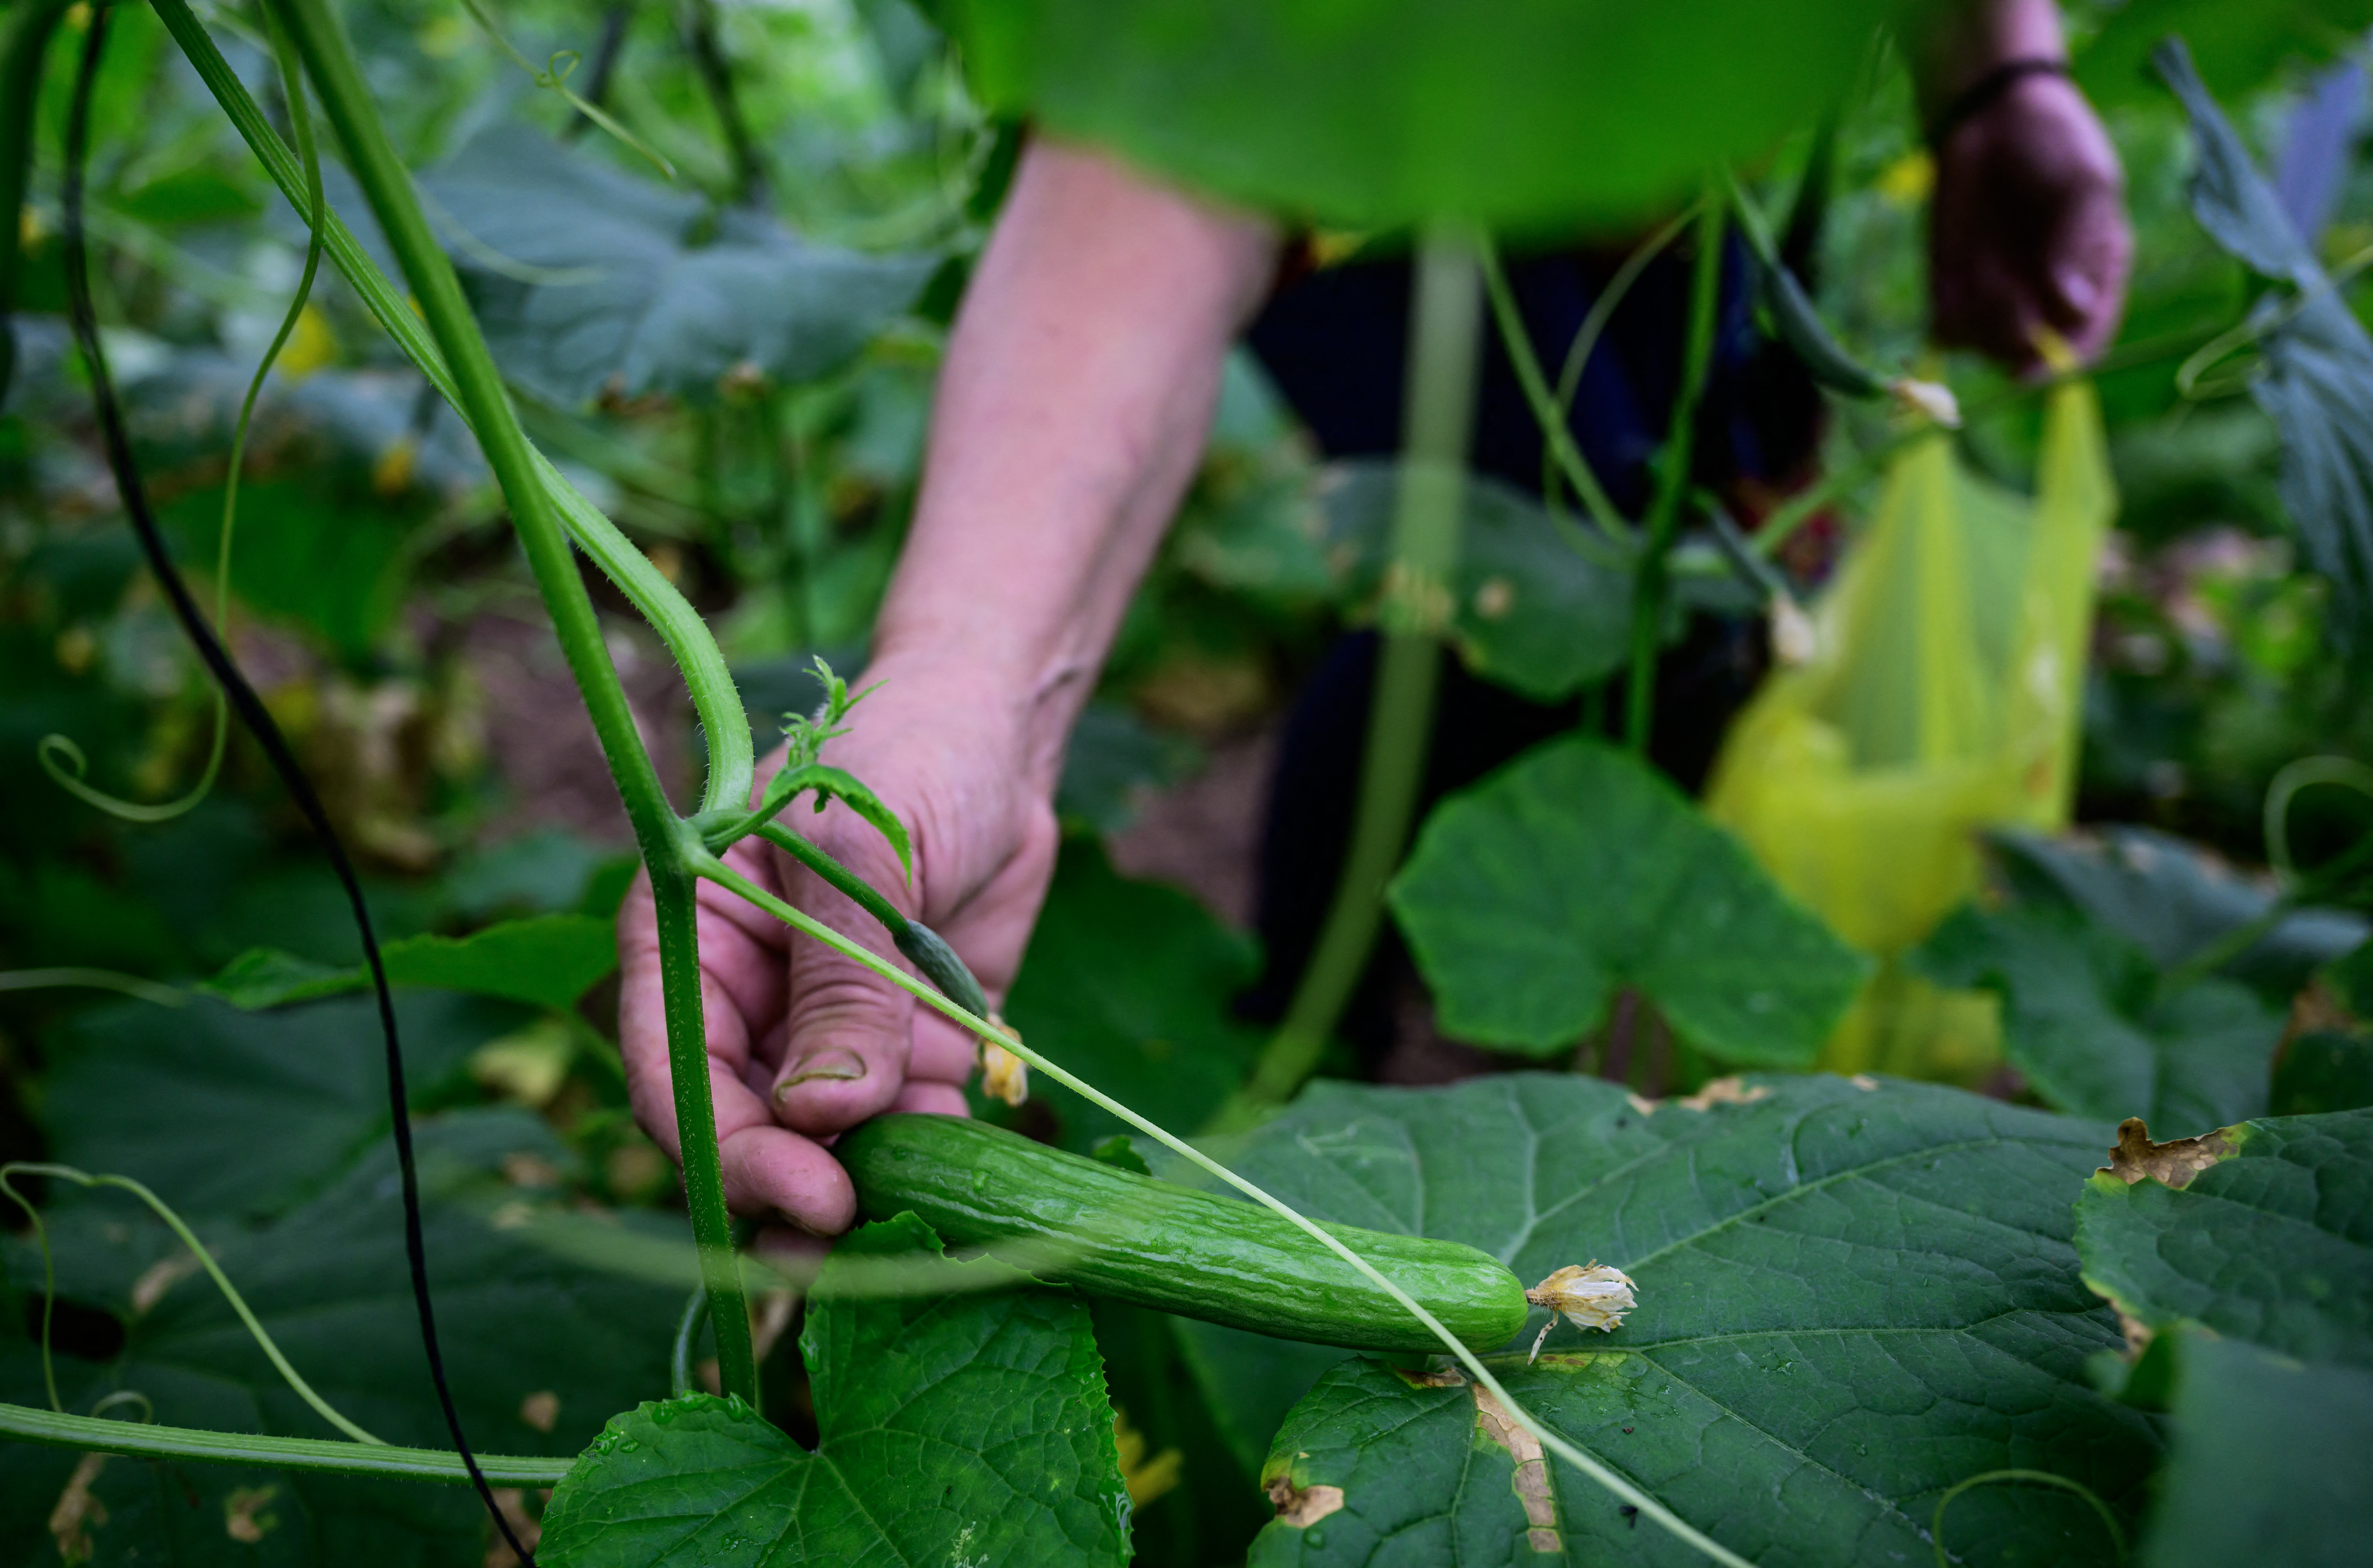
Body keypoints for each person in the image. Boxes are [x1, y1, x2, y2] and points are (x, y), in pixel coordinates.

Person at [616, 0, 2132, 1235]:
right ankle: (1301, 1020)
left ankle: (1422, 1043)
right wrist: (965, 681)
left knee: (1682, 557)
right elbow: (1176, 120)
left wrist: (1997, 68)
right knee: (1503, 563)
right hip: (1391, 153)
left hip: (1679, 130)